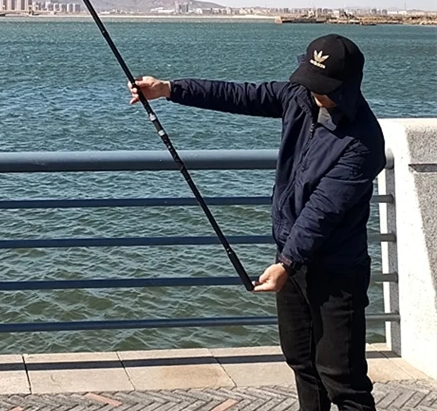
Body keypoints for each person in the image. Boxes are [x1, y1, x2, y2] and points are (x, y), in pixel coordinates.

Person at [131, 33, 386, 411]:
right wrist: (169, 89)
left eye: (323, 88)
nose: (314, 93)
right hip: (292, 260)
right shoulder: (298, 96)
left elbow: (323, 211)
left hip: (336, 272)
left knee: (342, 379)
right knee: (301, 362)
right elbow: (240, 95)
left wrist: (287, 263)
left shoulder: (363, 142)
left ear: (347, 86)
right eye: (310, 83)